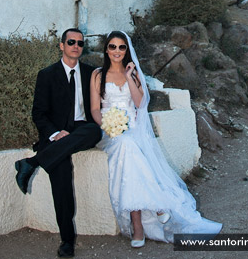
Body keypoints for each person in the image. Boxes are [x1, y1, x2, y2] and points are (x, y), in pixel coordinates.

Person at [90, 31, 222, 248]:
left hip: (131, 129)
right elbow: (95, 109)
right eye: (112, 47)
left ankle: (137, 226)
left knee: (129, 146)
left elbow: (140, 104)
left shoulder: (133, 74)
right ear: (106, 50)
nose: (116, 51)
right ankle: (158, 206)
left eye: (121, 47)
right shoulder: (97, 75)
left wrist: (130, 76)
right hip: (108, 132)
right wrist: (106, 127)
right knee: (126, 144)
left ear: (126, 50)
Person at [14, 28, 102, 258]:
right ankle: (67, 240)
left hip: (83, 130)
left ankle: (32, 162)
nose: (76, 46)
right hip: (55, 136)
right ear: (61, 45)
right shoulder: (47, 75)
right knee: (60, 174)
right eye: (71, 42)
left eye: (80, 43)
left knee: (94, 131)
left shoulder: (92, 73)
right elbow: (39, 113)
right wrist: (54, 134)